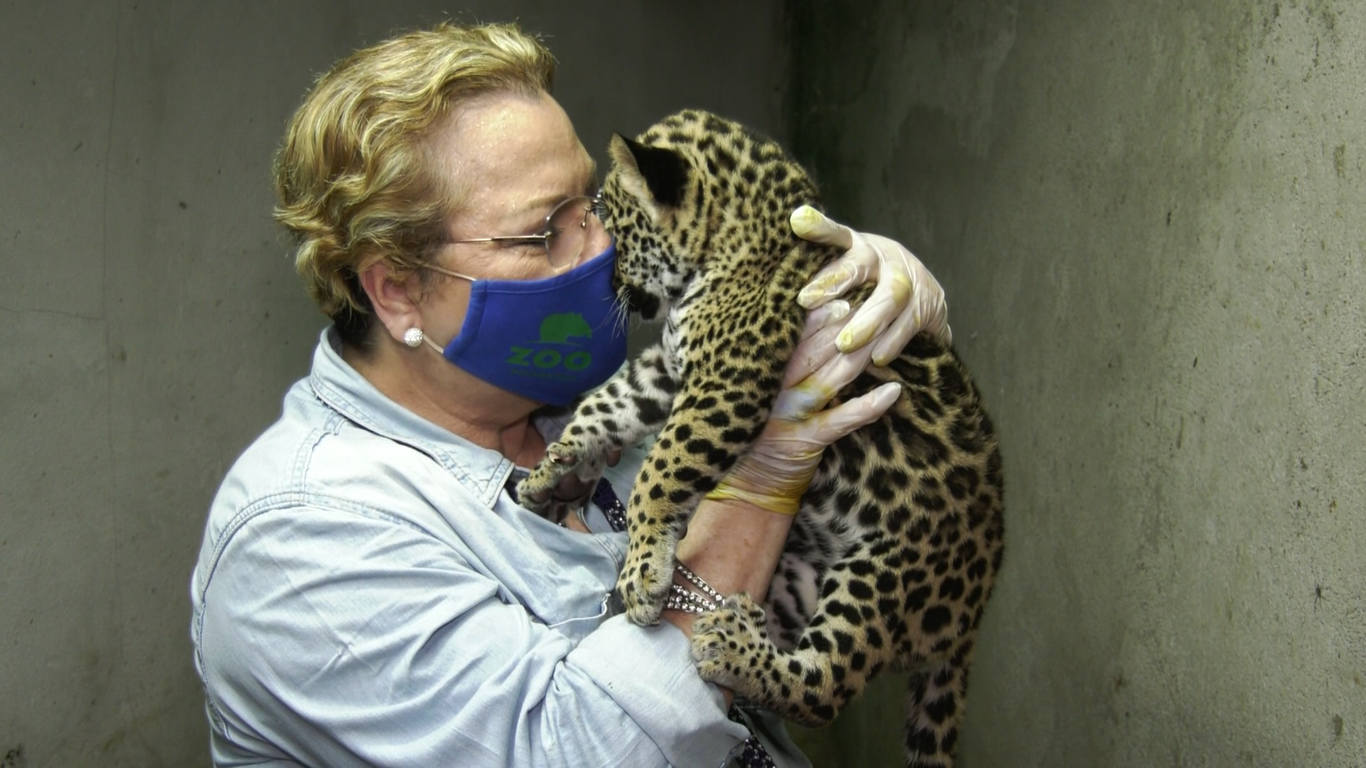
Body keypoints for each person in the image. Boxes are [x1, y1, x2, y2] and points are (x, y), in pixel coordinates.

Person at [190, 21, 951, 768]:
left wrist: (857, 324)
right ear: (396, 292)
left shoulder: (563, 405)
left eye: (590, 202)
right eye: (546, 231)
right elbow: (583, 749)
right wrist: (760, 477)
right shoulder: (302, 539)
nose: (603, 244)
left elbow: (810, 616)